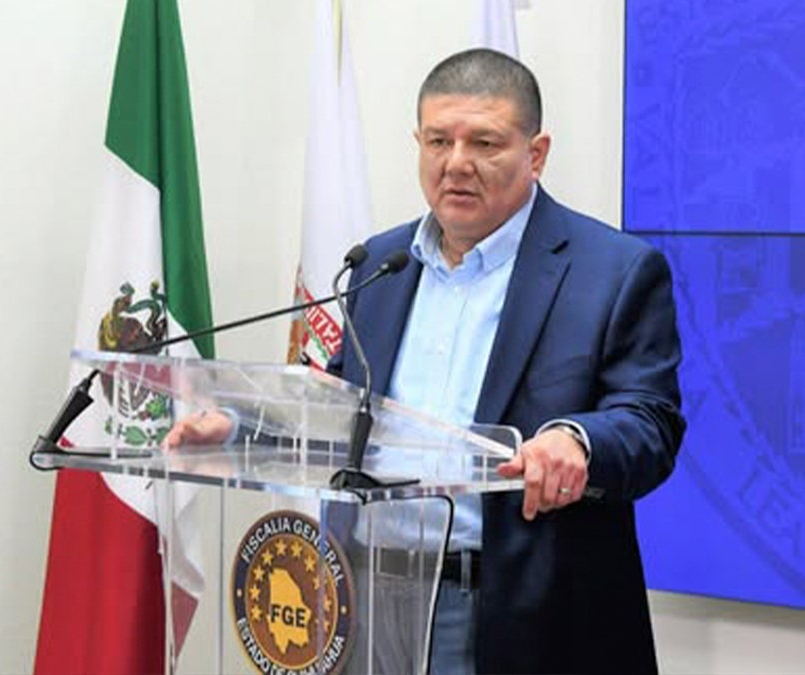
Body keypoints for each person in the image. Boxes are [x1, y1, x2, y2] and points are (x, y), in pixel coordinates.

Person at [170, 48, 685, 674]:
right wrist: (242, 427)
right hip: (364, 591)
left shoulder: (612, 271)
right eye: (438, 140)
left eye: (485, 143)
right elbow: (341, 409)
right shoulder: (378, 266)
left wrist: (577, 440)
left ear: (537, 153)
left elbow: (649, 420)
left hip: (519, 612)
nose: (456, 164)